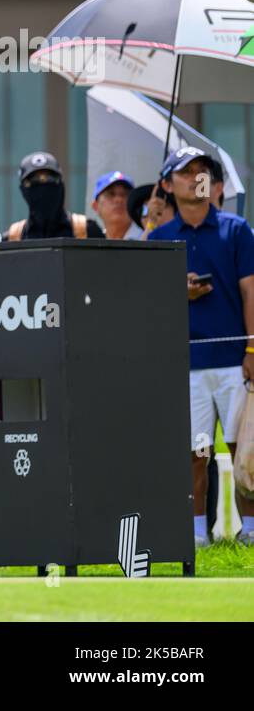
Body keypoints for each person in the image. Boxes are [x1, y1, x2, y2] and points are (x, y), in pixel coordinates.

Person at [149, 146, 254, 546]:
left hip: (233, 362)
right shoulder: (157, 239)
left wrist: (252, 351)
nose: (197, 177)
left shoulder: (236, 229)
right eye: (186, 171)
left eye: (203, 170)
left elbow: (251, 293)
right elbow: (149, 306)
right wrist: (181, 293)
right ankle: (196, 534)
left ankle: (250, 531)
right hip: (186, 363)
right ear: (167, 184)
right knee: (197, 453)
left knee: (244, 448)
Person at [5, 152, 104, 240]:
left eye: (50, 180)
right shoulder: (12, 238)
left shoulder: (88, 232)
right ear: (23, 190)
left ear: (61, 185)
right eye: (34, 182)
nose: (43, 189)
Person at [90, 171, 141, 240]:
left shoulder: (148, 238)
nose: (119, 200)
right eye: (111, 194)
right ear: (95, 206)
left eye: (126, 194)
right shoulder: (93, 242)